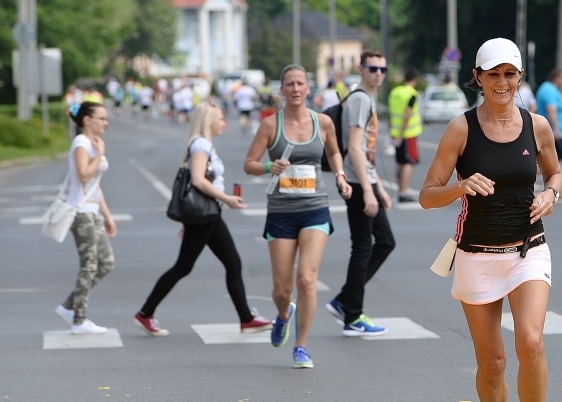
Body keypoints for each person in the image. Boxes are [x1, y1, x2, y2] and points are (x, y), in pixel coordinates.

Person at [419, 38, 562, 402]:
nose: (502, 82)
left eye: (510, 74)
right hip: (477, 254)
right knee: (493, 362)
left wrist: (550, 193)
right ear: (478, 78)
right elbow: (427, 195)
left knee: (531, 341)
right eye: (493, 74)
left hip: (527, 250)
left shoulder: (536, 126)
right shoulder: (461, 129)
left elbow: (555, 171)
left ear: (519, 77)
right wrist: (461, 187)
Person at [243, 64, 353, 368]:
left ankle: (301, 346)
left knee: (306, 279)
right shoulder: (270, 126)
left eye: (299, 83)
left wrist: (341, 176)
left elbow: (333, 152)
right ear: (282, 90)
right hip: (281, 210)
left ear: (308, 89)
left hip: (314, 208)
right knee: (282, 289)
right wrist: (269, 167)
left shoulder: (324, 123)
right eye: (289, 84)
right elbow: (249, 164)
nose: (294, 89)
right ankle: (283, 314)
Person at [133, 101, 271, 337]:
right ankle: (145, 313)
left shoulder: (204, 145)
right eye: (220, 118)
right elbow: (198, 180)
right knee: (185, 267)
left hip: (208, 215)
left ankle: (246, 318)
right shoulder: (201, 145)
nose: (224, 122)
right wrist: (226, 199)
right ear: (208, 121)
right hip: (207, 215)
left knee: (230, 263)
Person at [325, 49, 395, 337]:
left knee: (384, 242)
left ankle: (345, 301)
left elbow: (365, 153)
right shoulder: (360, 100)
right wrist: (368, 192)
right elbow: (354, 147)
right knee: (364, 246)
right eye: (373, 68)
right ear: (361, 69)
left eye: (383, 69)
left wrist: (379, 188)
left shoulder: (366, 99)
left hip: (363, 181)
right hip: (356, 184)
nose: (378, 74)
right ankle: (352, 314)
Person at [55, 102, 117, 335]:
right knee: (89, 266)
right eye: (101, 118)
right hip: (80, 213)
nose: (105, 123)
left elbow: (95, 185)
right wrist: (99, 153)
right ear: (86, 120)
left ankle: (69, 306)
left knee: (107, 262)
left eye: (105, 118)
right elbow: (83, 176)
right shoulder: (82, 143)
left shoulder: (91, 143)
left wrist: (108, 215)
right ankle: (79, 320)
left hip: (93, 212)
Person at [388, 68, 423, 203]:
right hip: (408, 133)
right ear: (415, 79)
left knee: (400, 162)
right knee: (409, 162)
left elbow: (391, 112)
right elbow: (408, 114)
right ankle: (403, 192)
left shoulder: (395, 92)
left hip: (395, 132)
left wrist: (393, 132)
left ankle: (400, 189)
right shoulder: (412, 94)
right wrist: (402, 134)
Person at [536, 68, 562, 198]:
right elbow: (551, 110)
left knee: (555, 160)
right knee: (557, 160)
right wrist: (556, 128)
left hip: (554, 130)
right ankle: (557, 188)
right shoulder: (549, 90)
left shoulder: (550, 89)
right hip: (552, 131)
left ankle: (557, 188)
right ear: (556, 77)